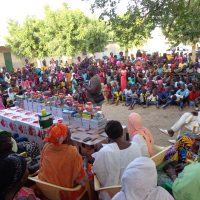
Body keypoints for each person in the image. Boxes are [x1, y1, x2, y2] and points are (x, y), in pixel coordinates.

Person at [39, 124, 96, 200]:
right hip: (65, 194)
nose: (70, 136)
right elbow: (83, 180)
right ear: (65, 139)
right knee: (91, 172)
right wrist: (84, 166)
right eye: (69, 134)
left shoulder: (46, 147)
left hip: (46, 190)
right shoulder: (71, 152)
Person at [92, 120, 142, 200]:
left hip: (111, 193)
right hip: (132, 189)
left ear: (108, 136)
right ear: (122, 133)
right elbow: (139, 168)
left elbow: (98, 172)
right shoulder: (135, 146)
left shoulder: (104, 151)